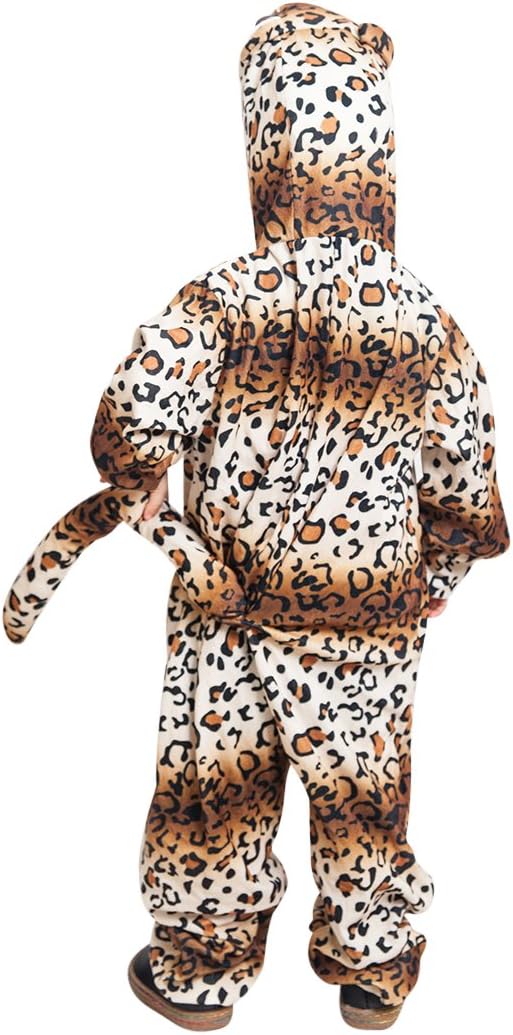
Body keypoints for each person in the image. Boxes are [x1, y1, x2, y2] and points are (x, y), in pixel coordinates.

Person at [3, 4, 510, 1031]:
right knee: (365, 793)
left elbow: (130, 429)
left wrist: (153, 511)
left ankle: (201, 967)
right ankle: (372, 963)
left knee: (214, 791)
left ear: (267, 151)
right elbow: (467, 486)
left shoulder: (220, 301)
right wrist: (438, 576)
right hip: (369, 622)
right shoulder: (429, 322)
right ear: (378, 157)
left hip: (226, 607)